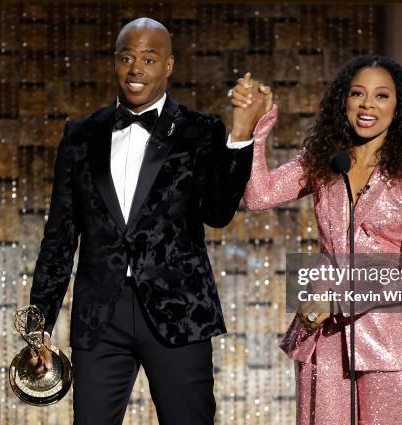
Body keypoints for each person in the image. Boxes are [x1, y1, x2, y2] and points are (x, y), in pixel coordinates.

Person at [26, 17, 267, 425]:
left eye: (149, 59)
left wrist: (241, 133)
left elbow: (218, 213)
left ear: (168, 65)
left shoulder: (200, 130)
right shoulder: (80, 135)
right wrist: (39, 324)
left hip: (180, 311)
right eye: (127, 58)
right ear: (116, 62)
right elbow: (60, 237)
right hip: (101, 314)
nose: (136, 69)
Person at [231, 55, 402, 424]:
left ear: (399, 107)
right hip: (325, 342)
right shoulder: (323, 163)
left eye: (381, 96)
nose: (367, 105)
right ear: (343, 101)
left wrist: (338, 301)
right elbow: (258, 197)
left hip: (392, 350)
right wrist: (257, 129)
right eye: (358, 94)